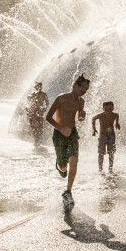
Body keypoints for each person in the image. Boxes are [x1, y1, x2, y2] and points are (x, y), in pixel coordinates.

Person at [46, 75, 90, 209]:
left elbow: (79, 117)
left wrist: (82, 115)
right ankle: (60, 166)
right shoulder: (61, 98)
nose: (84, 90)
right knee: (63, 166)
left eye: (86, 88)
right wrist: (61, 128)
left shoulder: (81, 102)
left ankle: (68, 191)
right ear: (75, 85)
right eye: (82, 87)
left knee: (74, 161)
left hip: (72, 134)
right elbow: (48, 117)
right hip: (59, 134)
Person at [91, 101, 120, 173]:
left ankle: (110, 169)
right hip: (102, 134)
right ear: (103, 109)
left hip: (111, 134)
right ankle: (100, 169)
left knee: (111, 152)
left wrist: (117, 123)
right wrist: (94, 129)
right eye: (106, 109)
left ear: (113, 108)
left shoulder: (114, 115)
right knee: (101, 152)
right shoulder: (100, 115)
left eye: (110, 109)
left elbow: (117, 116)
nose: (108, 111)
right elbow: (93, 118)